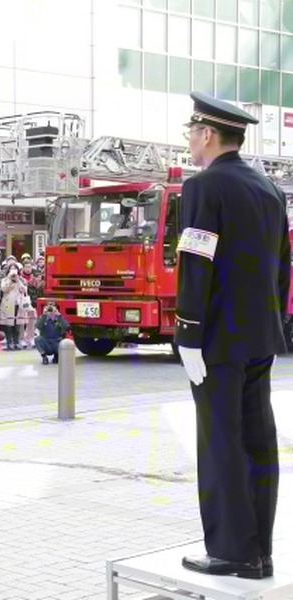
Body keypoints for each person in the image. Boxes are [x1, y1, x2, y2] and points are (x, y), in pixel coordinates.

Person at [174, 93, 288, 579]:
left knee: (221, 442)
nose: (190, 142)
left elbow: (195, 263)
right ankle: (258, 551)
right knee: (258, 442)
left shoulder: (203, 187)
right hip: (259, 336)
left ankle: (230, 550)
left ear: (207, 134)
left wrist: (189, 333)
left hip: (217, 340)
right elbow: (283, 267)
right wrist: (275, 323)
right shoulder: (269, 190)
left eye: (191, 134)